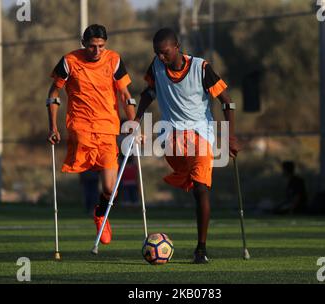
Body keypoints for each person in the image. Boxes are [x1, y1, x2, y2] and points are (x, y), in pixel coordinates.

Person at [133, 28, 239, 264]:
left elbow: (227, 103)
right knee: (191, 179)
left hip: (201, 133)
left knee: (201, 189)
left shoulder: (201, 68)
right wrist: (135, 121)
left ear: (177, 46)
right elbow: (149, 92)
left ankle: (201, 249)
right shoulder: (156, 66)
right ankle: (190, 175)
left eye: (165, 53)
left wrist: (230, 137)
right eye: (157, 53)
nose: (161, 58)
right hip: (170, 136)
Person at [46, 24, 136, 245]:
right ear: (83, 43)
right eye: (93, 46)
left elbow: (125, 94)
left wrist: (133, 122)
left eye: (101, 46)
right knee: (88, 174)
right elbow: (53, 93)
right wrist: (53, 127)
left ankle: (100, 214)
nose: (97, 51)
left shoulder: (114, 60)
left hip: (107, 129)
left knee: (110, 189)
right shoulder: (69, 61)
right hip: (81, 128)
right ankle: (91, 203)